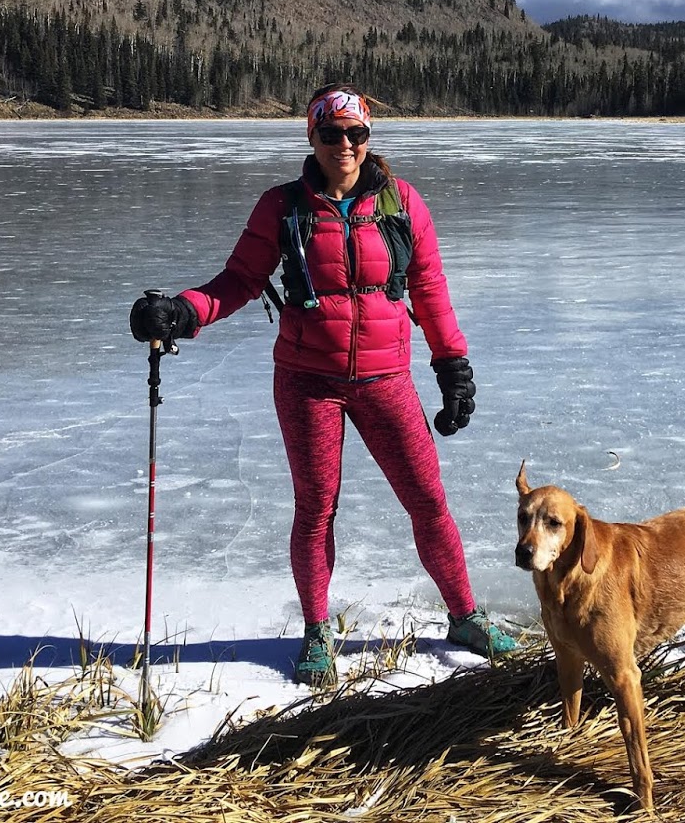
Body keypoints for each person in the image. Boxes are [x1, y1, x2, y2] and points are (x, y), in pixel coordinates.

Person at [129, 84, 515, 686]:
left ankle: (464, 616)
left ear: (368, 139)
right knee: (316, 509)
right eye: (331, 134)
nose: (345, 145)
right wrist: (183, 312)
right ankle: (316, 631)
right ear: (311, 136)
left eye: (356, 134)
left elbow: (431, 290)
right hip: (308, 382)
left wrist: (452, 366)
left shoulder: (402, 204)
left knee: (428, 501)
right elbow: (238, 281)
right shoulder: (282, 208)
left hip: (387, 379)